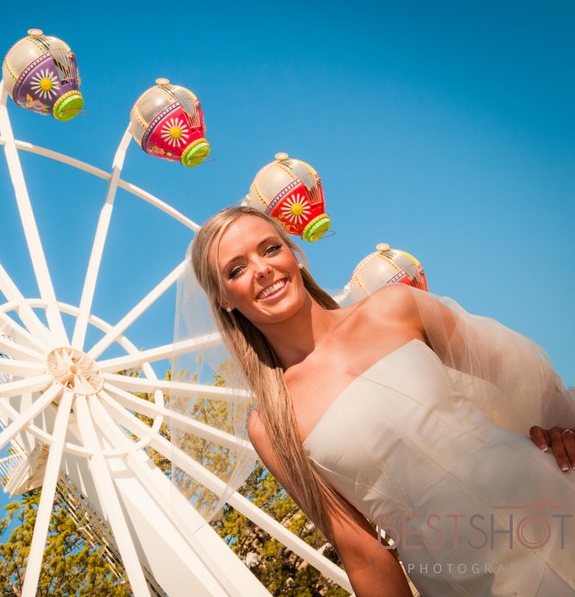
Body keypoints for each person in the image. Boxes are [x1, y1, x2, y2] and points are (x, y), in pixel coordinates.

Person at [186, 205, 575, 596]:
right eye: (236, 269)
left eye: (270, 249)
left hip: (551, 503)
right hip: (463, 578)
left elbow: (527, 376)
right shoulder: (272, 424)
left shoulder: (394, 307)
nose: (262, 269)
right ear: (223, 299)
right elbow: (362, 553)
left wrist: (566, 429)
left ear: (296, 254)